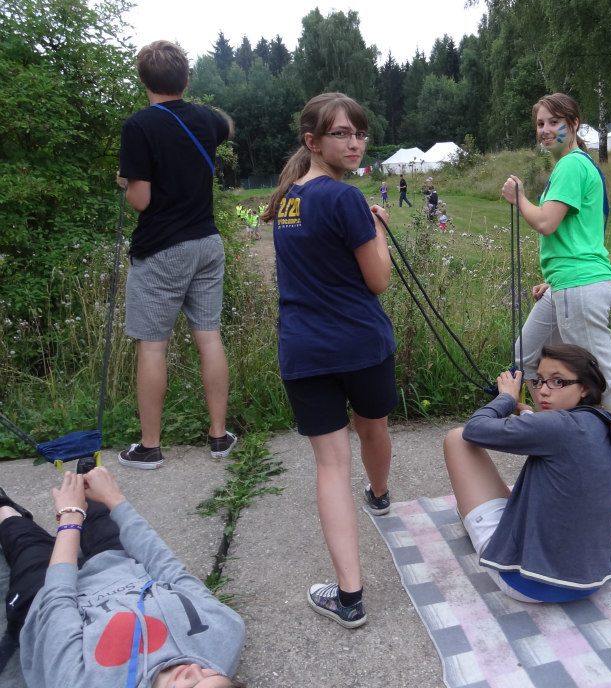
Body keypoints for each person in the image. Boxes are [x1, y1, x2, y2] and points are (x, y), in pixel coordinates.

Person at [499, 92, 611, 520]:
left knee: (607, 385)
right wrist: (554, 279)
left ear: (573, 123)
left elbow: (546, 222)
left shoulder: (572, 165)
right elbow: (578, 234)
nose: (544, 130)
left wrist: (519, 197)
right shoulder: (574, 166)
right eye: (539, 123)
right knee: (526, 358)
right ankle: (557, 450)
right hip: (566, 284)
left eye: (552, 121)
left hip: (581, 286)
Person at [261, 92, 395, 629]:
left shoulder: (286, 200)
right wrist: (378, 228)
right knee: (373, 425)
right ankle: (380, 495)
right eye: (341, 133)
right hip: (361, 343)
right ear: (313, 141)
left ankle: (350, 597)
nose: (355, 142)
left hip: (305, 347)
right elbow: (378, 280)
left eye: (359, 132)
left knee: (330, 465)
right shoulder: (346, 199)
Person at [0, 467, 245, 687]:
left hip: (44, 597)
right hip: (120, 566)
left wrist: (70, 516)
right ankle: (86, 478)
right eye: (211, 675)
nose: (194, 669)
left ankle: (7, 510)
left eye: (191, 686)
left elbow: (57, 601)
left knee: (22, 538)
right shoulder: (227, 632)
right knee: (100, 509)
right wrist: (115, 499)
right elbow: (168, 568)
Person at [117, 40, 237, 469]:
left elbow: (141, 200)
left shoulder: (138, 126)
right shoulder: (207, 119)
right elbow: (227, 125)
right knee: (209, 336)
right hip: (207, 243)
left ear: (143, 81)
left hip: (162, 249)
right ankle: (219, 436)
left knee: (153, 347)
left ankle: (150, 446)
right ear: (186, 78)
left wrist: (125, 182)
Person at [443, 344, 611, 602]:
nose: (543, 391)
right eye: (539, 381)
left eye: (558, 381)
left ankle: (470, 519)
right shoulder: (603, 422)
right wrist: (528, 414)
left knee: (457, 439)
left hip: (527, 583)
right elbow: (558, 436)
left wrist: (506, 398)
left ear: (584, 387)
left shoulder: (556, 427)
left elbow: (475, 429)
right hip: (592, 578)